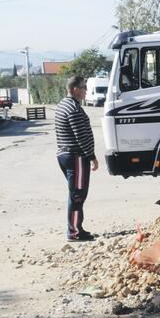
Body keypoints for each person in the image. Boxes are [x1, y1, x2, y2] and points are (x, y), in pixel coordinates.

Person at [55, 76, 98, 241]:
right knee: (78, 195)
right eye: (83, 87)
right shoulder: (73, 108)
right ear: (74, 89)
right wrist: (92, 157)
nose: (86, 90)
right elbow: (81, 136)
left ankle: (77, 228)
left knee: (75, 193)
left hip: (65, 155)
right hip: (76, 157)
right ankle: (74, 232)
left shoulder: (62, 105)